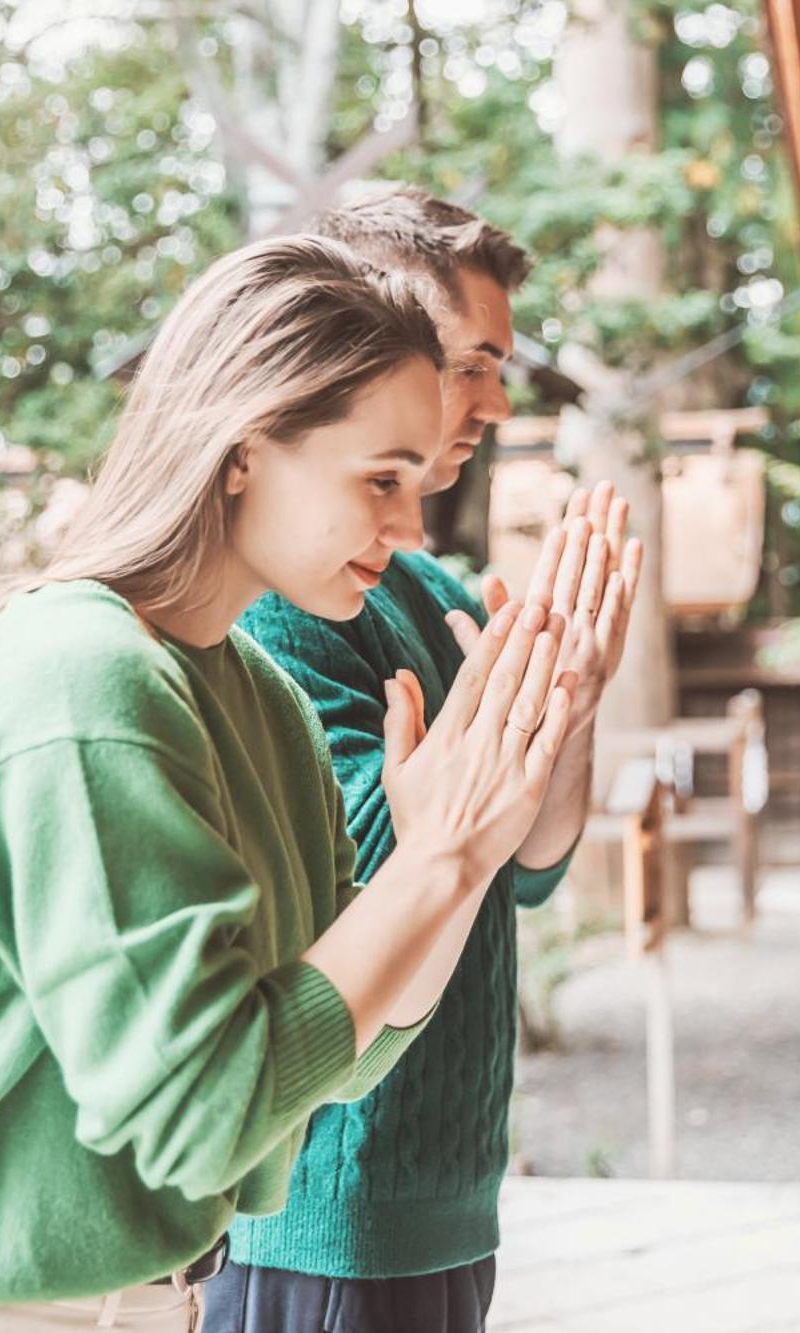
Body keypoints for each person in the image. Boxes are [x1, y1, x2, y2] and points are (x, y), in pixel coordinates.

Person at [0, 235, 582, 1333]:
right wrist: (432, 862)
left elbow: (339, 1056)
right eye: (379, 479)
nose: (409, 528)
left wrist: (449, 866)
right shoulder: (84, 675)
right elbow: (203, 1110)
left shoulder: (258, 695)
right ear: (243, 447)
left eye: (416, 486)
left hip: (145, 1305)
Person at [203, 188, 643, 1333]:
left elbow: (526, 867)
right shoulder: (280, 606)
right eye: (473, 362)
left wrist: (569, 706)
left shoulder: (421, 590)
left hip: (445, 1185)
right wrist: (501, 732)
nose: (494, 402)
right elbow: (366, 880)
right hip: (327, 1193)